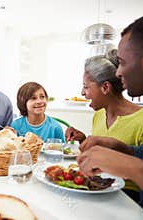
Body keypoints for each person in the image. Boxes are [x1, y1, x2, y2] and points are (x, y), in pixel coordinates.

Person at [77, 16, 143, 207]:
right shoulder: (99, 115)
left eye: (122, 62)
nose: (118, 73)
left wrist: (132, 166)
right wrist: (121, 148)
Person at [65, 49, 143, 146]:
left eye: (86, 86)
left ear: (105, 87)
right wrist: (83, 140)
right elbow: (100, 155)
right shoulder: (99, 115)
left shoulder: (140, 121)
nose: (82, 93)